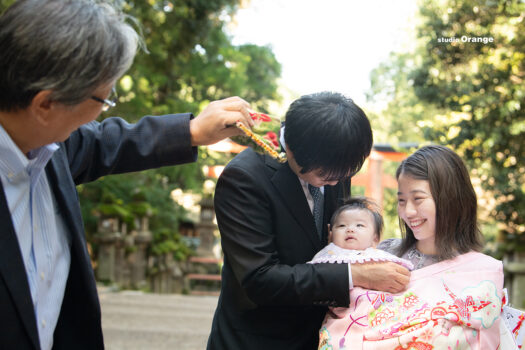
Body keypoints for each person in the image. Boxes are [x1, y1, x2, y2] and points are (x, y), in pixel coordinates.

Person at [0, 1, 254, 349]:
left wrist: (192, 131)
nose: (104, 107)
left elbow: (104, 142)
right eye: (104, 98)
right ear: (46, 104)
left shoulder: (49, 146)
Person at [207, 91, 411, 350]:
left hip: (321, 336)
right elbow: (260, 279)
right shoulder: (244, 178)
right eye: (326, 175)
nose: (336, 182)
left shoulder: (337, 159)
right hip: (260, 336)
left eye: (346, 173)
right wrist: (357, 274)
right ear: (290, 149)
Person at [318, 145, 504, 349]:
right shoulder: (385, 253)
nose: (408, 211)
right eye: (401, 200)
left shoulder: (480, 272)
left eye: (418, 199)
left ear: (450, 199)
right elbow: (344, 315)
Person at [310, 197, 413, 270]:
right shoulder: (327, 255)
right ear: (331, 235)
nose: (350, 229)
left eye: (359, 225)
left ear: (375, 239)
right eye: (342, 226)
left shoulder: (377, 256)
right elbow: (316, 277)